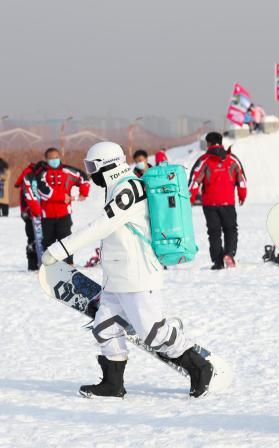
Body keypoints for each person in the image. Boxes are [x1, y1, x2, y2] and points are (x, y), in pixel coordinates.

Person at [41, 141, 213, 398]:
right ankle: (113, 384)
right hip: (117, 276)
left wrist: (59, 249)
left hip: (138, 274)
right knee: (105, 327)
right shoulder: (120, 187)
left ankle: (200, 367)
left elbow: (103, 225)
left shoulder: (128, 188)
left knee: (153, 333)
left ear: (106, 166)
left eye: (92, 167)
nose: (90, 173)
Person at [189, 132, 247, 269]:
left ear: (208, 143)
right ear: (221, 142)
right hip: (228, 202)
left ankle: (217, 262)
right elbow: (241, 179)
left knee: (214, 232)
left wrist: (190, 199)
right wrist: (242, 195)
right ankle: (229, 254)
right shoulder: (232, 159)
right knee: (231, 229)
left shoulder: (204, 160)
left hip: (210, 204)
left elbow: (194, 182)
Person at [29, 148, 90, 265]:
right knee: (48, 241)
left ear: (60, 157)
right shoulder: (42, 173)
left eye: (56, 157)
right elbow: (43, 191)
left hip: (64, 214)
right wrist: (63, 197)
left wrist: (84, 192)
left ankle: (69, 263)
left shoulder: (67, 170)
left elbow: (83, 178)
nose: (54, 160)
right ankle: (49, 265)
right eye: (51, 158)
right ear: (46, 159)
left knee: (66, 240)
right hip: (47, 215)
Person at [15, 161, 42, 270]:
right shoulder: (28, 177)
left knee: (42, 239)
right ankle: (32, 265)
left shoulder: (40, 177)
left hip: (42, 213)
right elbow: (23, 197)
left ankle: (38, 264)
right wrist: (24, 212)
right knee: (32, 238)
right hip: (30, 214)